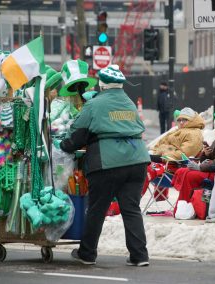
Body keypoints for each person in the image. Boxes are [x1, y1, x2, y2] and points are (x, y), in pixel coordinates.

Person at [60, 64, 151, 266]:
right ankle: (139, 255)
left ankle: (87, 253)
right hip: (137, 160)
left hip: (107, 161)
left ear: (102, 84)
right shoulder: (128, 102)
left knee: (97, 209)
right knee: (131, 209)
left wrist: (64, 145)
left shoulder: (95, 104)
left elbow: (77, 134)